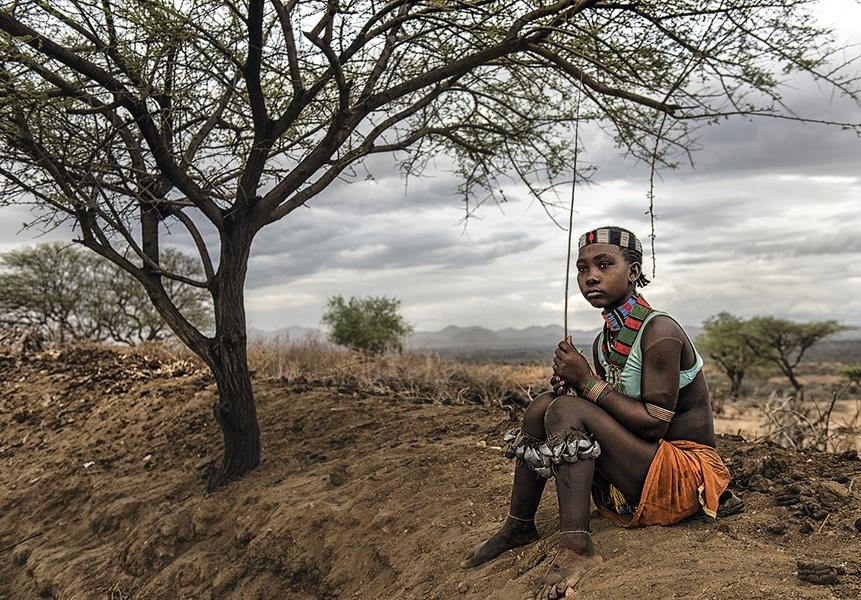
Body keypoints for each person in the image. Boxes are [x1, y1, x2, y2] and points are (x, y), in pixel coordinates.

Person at [461, 226, 735, 600]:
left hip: (686, 474)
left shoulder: (660, 332)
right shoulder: (605, 340)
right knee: (544, 405)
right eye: (582, 267)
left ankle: (576, 547)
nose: (590, 276)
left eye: (604, 264)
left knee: (568, 410)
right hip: (644, 465)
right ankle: (519, 525)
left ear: (634, 272)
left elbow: (654, 424)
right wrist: (574, 387)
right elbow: (611, 405)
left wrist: (586, 383)